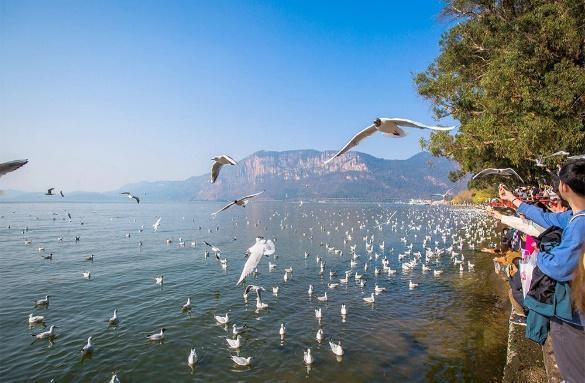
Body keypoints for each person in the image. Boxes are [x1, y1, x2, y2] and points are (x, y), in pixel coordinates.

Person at [499, 159, 585, 383]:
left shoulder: (580, 223)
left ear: (564, 187)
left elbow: (560, 267)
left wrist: (537, 255)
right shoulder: (574, 217)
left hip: (575, 315)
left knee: (574, 373)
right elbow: (547, 218)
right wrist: (515, 201)